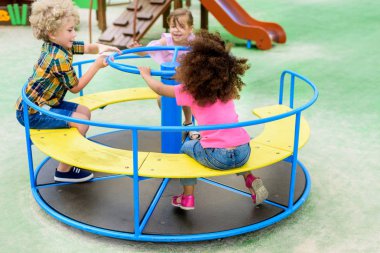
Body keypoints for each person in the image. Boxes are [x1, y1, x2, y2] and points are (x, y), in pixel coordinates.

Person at [138, 30, 268, 210]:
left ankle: (187, 197)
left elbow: (160, 89)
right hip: (244, 151)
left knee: (184, 149)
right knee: (229, 144)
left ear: (193, 69)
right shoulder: (225, 87)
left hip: (217, 156)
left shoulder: (191, 91)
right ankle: (250, 178)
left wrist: (145, 75)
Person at [15, 0, 121, 183]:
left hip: (46, 102)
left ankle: (75, 153)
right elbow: (75, 87)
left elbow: (87, 47)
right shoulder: (58, 57)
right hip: (31, 112)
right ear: (53, 33)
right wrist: (96, 66)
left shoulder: (59, 44)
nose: (74, 34)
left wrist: (101, 47)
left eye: (74, 29)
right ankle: (64, 170)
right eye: (70, 30)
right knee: (80, 123)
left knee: (85, 112)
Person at [128, 8, 199, 140]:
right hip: (170, 79)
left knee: (187, 100)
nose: (176, 30)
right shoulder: (166, 41)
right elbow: (148, 51)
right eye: (173, 26)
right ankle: (172, 122)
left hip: (186, 78)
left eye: (182, 27)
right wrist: (138, 49)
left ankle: (189, 123)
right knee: (162, 99)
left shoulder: (193, 42)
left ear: (190, 29)